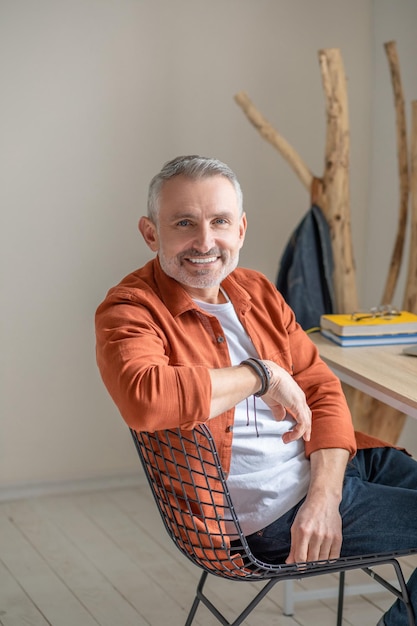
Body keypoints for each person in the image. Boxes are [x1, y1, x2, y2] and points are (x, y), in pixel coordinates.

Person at [95, 155, 417, 625]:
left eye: (219, 221)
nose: (205, 242)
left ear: (240, 229)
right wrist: (262, 374)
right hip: (269, 516)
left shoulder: (257, 291)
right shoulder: (130, 308)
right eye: (184, 223)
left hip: (329, 468)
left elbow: (323, 391)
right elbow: (145, 399)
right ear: (150, 233)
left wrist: (324, 498)